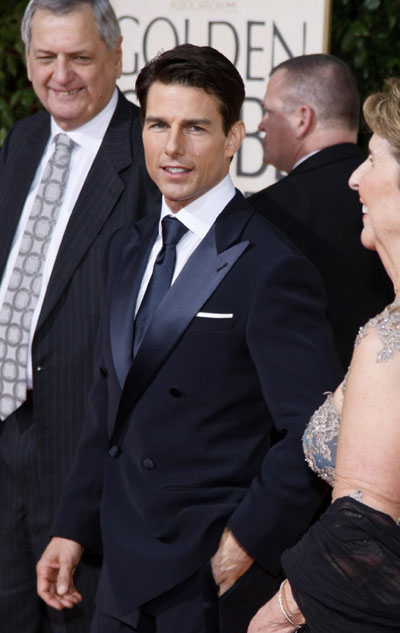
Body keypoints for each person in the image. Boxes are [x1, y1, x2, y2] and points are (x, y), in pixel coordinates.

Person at [36, 44, 342, 633]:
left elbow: (313, 431)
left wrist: (242, 544)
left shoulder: (271, 265)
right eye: (158, 124)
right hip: (121, 576)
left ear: (233, 138)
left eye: (195, 128)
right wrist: (72, 525)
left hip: (204, 582)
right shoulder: (125, 249)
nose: (172, 147)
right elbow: (108, 406)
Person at [0, 1, 157, 631]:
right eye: (45, 57)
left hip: (87, 455)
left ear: (117, 58)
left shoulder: (151, 152)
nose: (60, 75)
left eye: (80, 57)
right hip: (8, 434)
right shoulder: (24, 138)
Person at [248, 77, 400, 633]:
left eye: (374, 160)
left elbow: (363, 529)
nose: (355, 177)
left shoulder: (392, 342)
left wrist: (281, 612)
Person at [249, 54, 392, 370]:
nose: (260, 124)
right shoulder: (388, 199)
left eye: (268, 111)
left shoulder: (265, 213)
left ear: (302, 118)